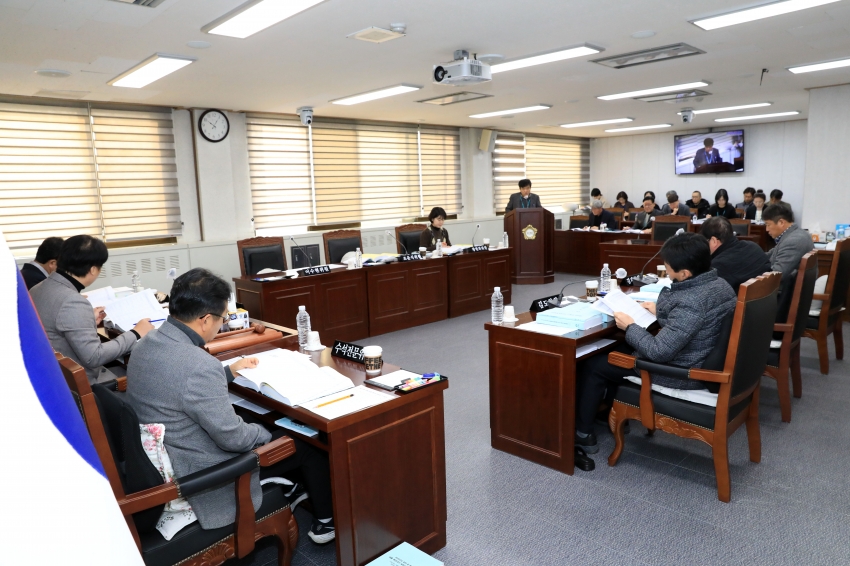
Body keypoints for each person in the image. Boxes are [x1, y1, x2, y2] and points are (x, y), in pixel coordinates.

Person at [126, 268, 336, 543]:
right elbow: (234, 439)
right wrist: (263, 431)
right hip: (202, 475)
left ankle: (289, 486)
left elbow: (174, 383)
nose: (221, 324)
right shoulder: (199, 365)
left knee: (259, 421)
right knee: (304, 440)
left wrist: (228, 372)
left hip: (162, 458)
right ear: (205, 320)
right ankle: (326, 522)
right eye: (223, 318)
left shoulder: (146, 343)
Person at [575, 233, 736, 454]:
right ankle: (608, 412)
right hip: (700, 355)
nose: (666, 271)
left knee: (595, 365)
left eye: (668, 268)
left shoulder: (692, 302)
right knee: (619, 349)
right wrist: (659, 310)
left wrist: (630, 326)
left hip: (680, 371)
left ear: (685, 273)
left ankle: (582, 434)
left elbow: (659, 351)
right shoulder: (720, 284)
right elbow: (695, 323)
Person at [30, 235, 154, 383]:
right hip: (79, 384)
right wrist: (136, 333)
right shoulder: (73, 302)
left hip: (50, 373)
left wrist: (87, 321)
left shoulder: (37, 288)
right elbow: (95, 357)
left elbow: (57, 326)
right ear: (93, 269)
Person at [701, 216, 771, 292]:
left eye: (705, 241)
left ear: (714, 241)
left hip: (740, 299)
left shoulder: (718, 265)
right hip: (768, 296)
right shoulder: (754, 247)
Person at [763, 204, 813, 274]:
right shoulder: (793, 234)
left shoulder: (794, 240)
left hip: (784, 280)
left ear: (781, 222)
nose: (767, 229)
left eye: (768, 225)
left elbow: (777, 273)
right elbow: (769, 255)